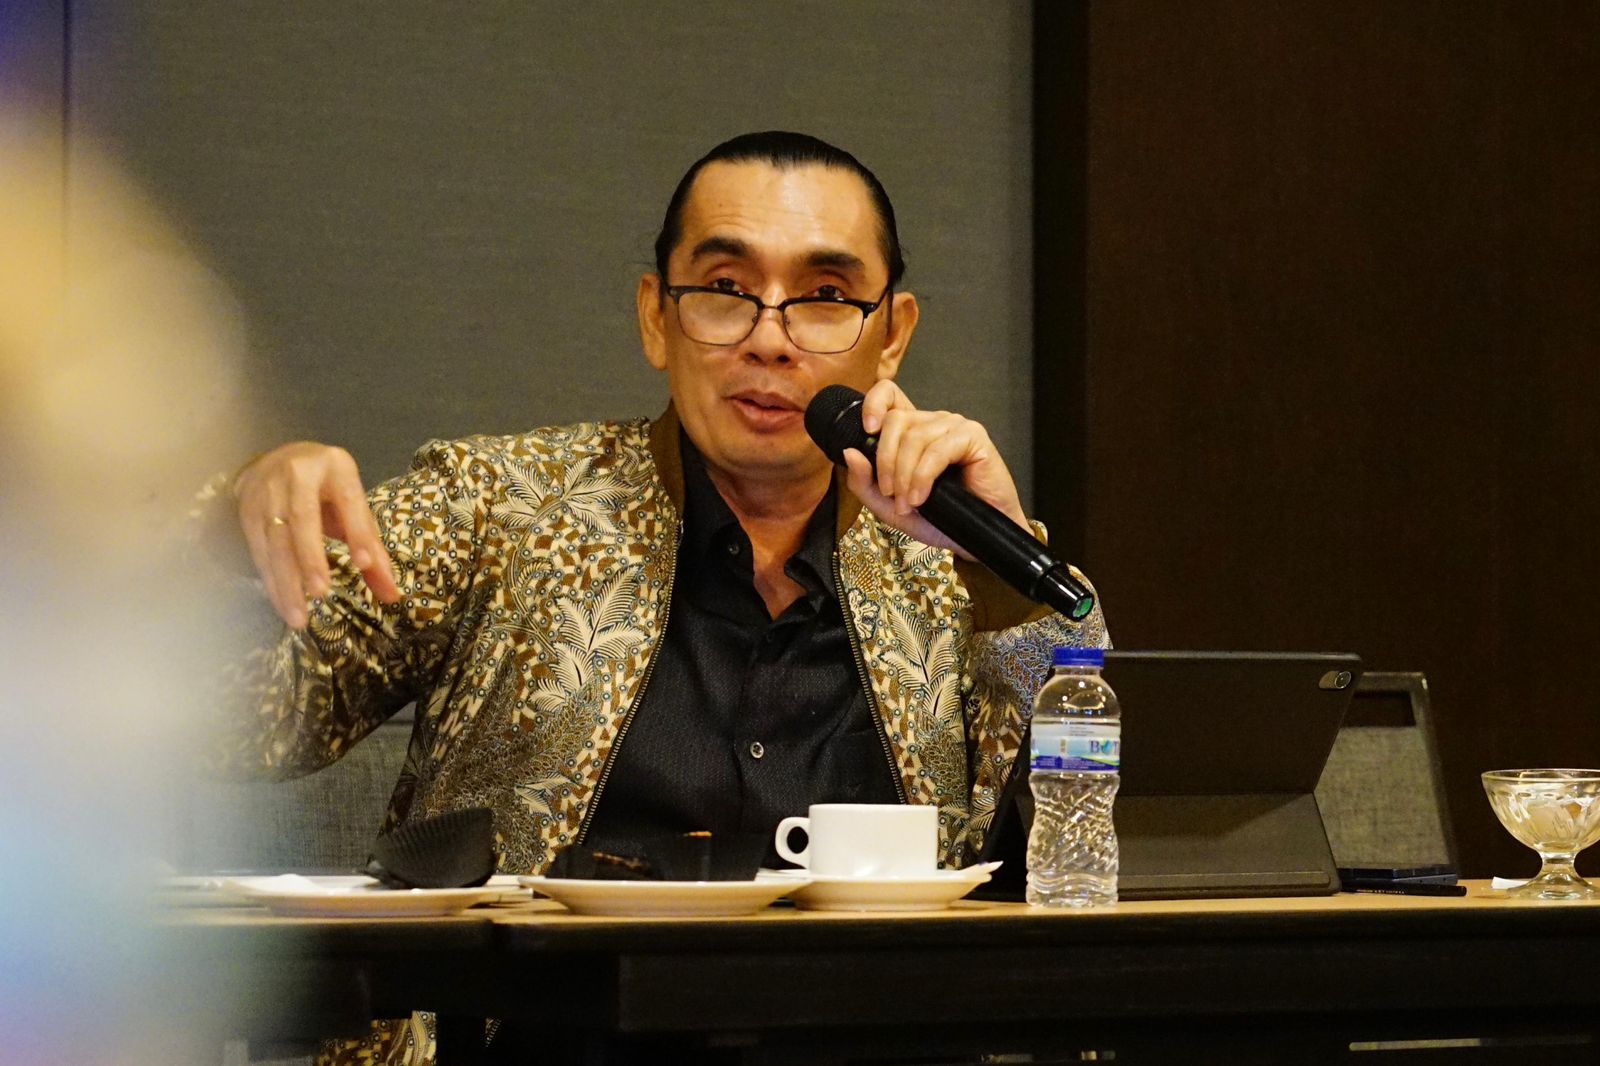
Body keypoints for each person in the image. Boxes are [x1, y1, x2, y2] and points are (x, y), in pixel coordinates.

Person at [206, 130, 1109, 1064]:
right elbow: (238, 721)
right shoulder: (496, 508)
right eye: (725, 288)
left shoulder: (950, 566)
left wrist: (1006, 558)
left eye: (825, 297)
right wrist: (224, 528)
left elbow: (1075, 845)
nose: (770, 338)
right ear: (655, 317)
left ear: (893, 336)